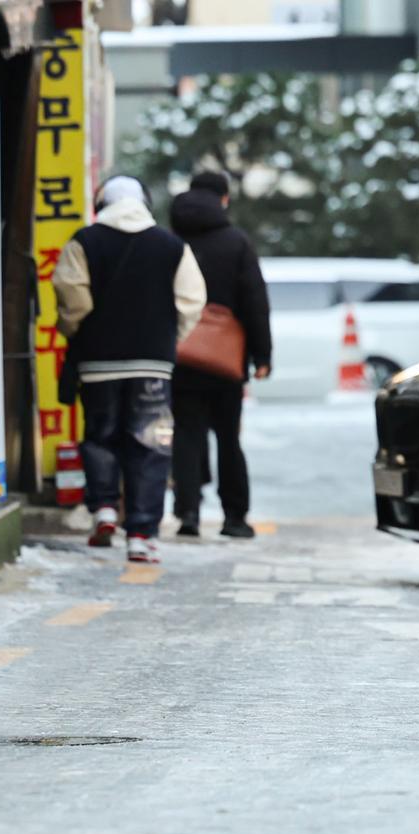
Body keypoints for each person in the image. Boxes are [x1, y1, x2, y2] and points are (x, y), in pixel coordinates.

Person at [53, 175, 207, 565]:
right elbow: (191, 300)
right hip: (153, 363)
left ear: (102, 203)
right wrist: (167, 338)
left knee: (101, 436)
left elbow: (74, 300)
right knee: (150, 446)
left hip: (98, 361)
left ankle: (104, 509)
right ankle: (141, 533)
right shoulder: (172, 245)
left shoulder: (83, 241)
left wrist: (78, 332)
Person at [168, 171, 273, 539]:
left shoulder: (171, 239)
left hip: (179, 351)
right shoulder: (236, 242)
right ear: (223, 199)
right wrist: (262, 355)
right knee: (229, 437)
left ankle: (188, 514)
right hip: (226, 357)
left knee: (186, 432)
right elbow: (254, 301)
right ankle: (234, 518)